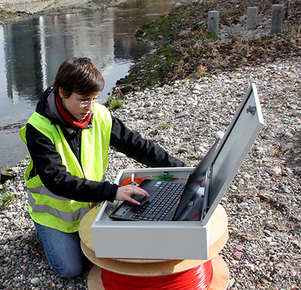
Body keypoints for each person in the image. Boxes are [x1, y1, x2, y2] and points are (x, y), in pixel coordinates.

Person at [19, 57, 185, 278]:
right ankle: (44, 234)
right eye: (83, 100)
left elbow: (138, 146)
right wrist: (113, 192)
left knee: (116, 252)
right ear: (62, 92)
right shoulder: (38, 129)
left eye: (94, 99)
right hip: (55, 217)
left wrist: (181, 169)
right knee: (71, 270)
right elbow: (57, 180)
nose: (90, 108)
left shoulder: (99, 115)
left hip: (91, 205)